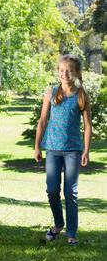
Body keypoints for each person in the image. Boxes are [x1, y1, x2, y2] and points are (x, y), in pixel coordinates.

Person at [34, 54, 92, 245]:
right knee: (52, 190)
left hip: (74, 150)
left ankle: (71, 234)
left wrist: (86, 151)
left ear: (77, 72)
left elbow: (88, 125)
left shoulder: (82, 95)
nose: (65, 74)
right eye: (61, 70)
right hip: (52, 148)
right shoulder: (50, 93)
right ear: (58, 71)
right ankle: (59, 224)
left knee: (70, 193)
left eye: (69, 70)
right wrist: (37, 146)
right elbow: (42, 121)